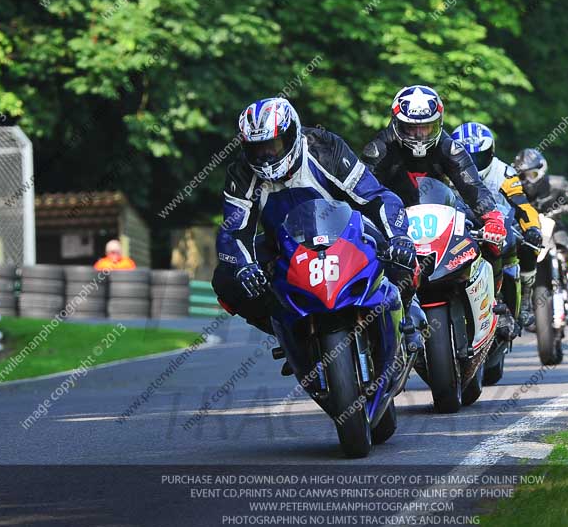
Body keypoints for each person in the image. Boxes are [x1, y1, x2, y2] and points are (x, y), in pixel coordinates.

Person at [213, 97, 426, 351]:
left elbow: (374, 196)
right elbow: (233, 231)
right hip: (284, 246)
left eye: (273, 145)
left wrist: (398, 236)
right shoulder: (242, 172)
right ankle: (290, 332)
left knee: (394, 248)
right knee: (225, 279)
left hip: (347, 233)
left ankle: (408, 310)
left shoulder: (323, 147)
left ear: (292, 134)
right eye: (257, 149)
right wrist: (244, 267)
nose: (266, 156)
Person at [361, 86, 507, 257]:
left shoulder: (450, 148)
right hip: (394, 218)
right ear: (396, 124)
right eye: (410, 128)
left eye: (426, 127)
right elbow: (362, 191)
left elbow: (472, 185)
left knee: (493, 243)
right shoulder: (379, 149)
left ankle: (493, 280)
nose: (419, 135)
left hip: (441, 209)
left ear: (439, 122)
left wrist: (492, 218)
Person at [451, 122, 543, 329]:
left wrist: (533, 229)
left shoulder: (504, 173)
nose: (473, 164)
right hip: (457, 226)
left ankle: (520, 302)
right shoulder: (445, 169)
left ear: (490, 153)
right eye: (467, 158)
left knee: (527, 246)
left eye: (479, 157)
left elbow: (522, 205)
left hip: (498, 225)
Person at [512, 148, 568, 324]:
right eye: (522, 176)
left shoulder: (557, 184)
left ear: (542, 171)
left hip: (554, 228)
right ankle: (516, 306)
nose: (527, 180)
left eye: (532, 174)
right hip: (525, 232)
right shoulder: (514, 188)